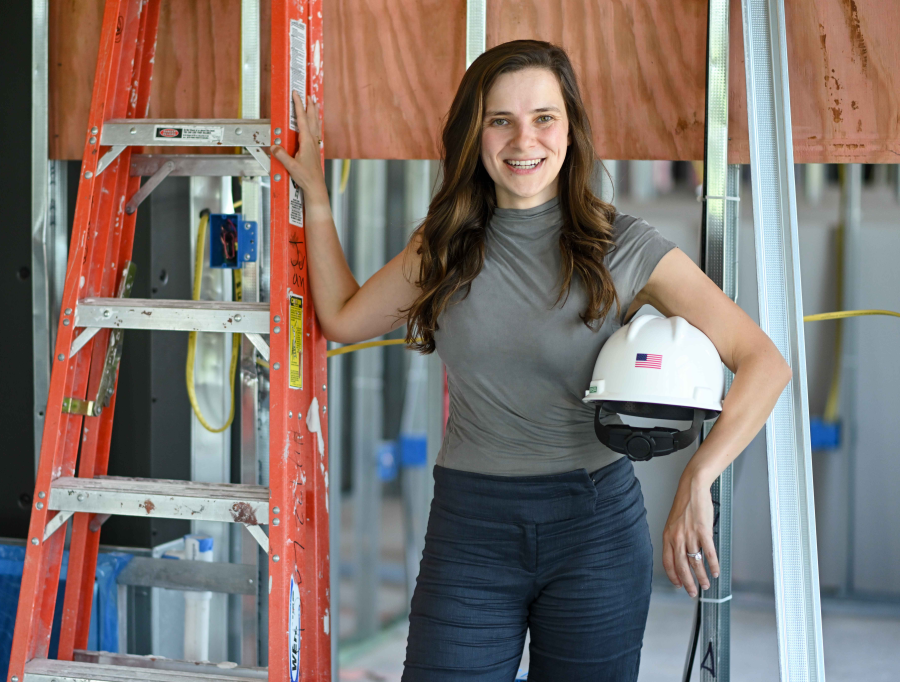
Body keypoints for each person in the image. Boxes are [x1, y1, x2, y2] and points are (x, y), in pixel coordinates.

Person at [272, 40, 790, 682]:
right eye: (501, 120)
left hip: (595, 530)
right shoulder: (445, 247)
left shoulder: (621, 245)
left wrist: (699, 476)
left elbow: (764, 361)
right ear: (477, 134)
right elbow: (344, 319)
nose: (525, 139)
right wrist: (317, 200)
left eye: (544, 117)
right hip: (471, 527)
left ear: (569, 129)